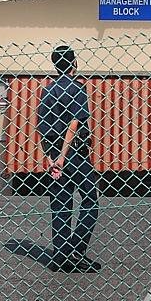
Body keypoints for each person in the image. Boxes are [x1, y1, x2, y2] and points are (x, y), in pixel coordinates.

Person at [38, 45, 101, 273]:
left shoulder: (47, 91)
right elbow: (74, 123)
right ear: (74, 63)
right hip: (73, 152)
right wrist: (64, 156)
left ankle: (61, 256)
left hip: (54, 152)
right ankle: (76, 251)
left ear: (55, 65)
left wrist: (51, 158)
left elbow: (43, 129)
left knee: (61, 204)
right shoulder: (77, 89)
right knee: (90, 201)